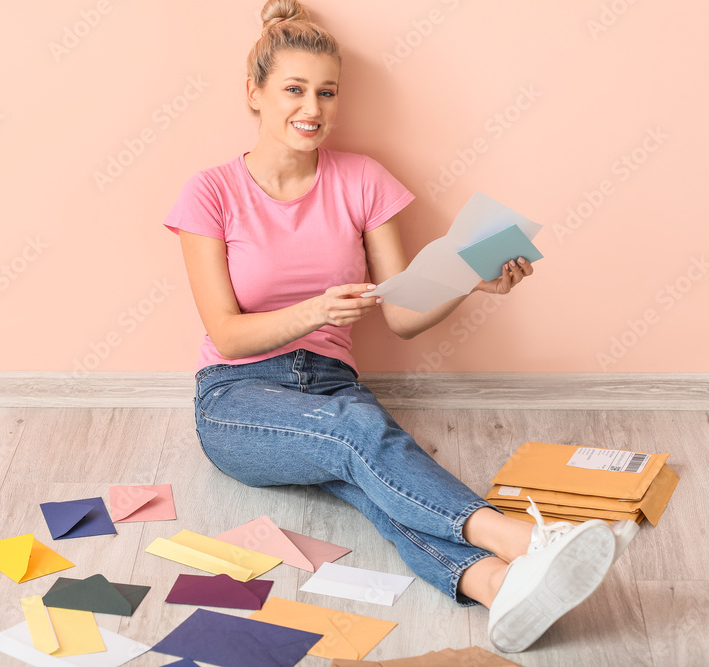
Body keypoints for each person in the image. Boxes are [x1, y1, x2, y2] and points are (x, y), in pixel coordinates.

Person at [161, 0, 635, 653]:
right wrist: (317, 310)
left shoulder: (362, 179)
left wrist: (470, 278)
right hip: (236, 397)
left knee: (367, 471)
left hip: (331, 382)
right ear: (255, 94)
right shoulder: (209, 193)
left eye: (327, 92)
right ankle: (526, 540)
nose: (313, 107)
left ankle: (496, 585)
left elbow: (405, 312)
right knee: (359, 434)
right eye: (294, 89)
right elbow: (228, 331)